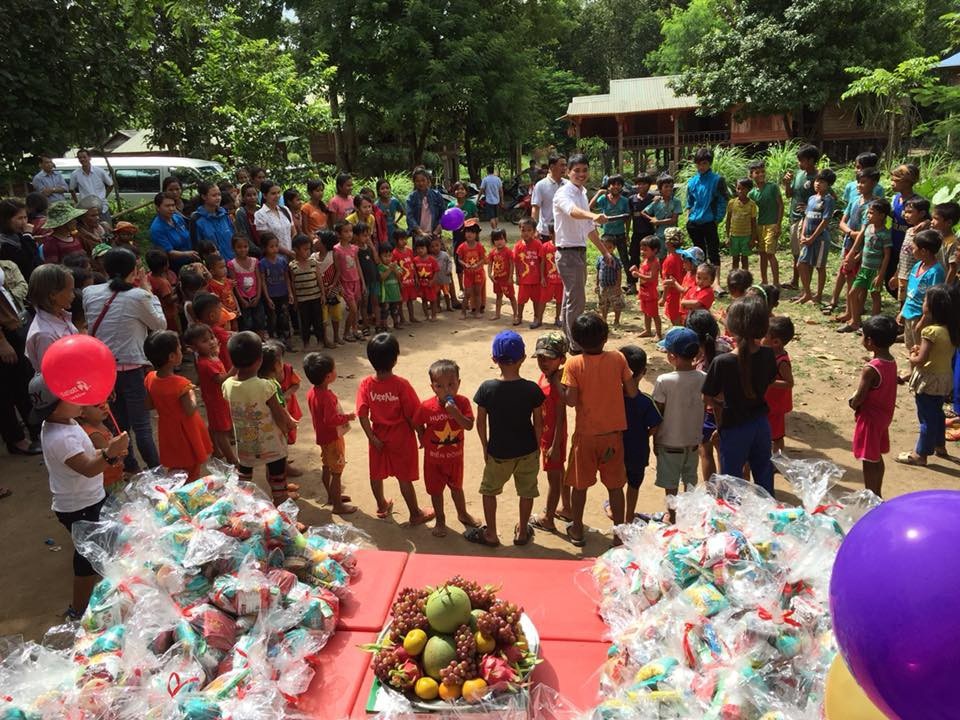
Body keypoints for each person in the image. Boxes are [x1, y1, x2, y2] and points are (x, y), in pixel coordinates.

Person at [33, 374, 129, 618]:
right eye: (72, 397)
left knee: (106, 544)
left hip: (91, 498)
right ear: (55, 408)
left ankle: (112, 591)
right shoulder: (60, 437)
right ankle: (78, 610)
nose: (81, 400)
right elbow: (87, 468)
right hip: (79, 506)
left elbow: (88, 454)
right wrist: (109, 455)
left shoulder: (65, 422)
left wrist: (106, 453)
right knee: (87, 559)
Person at [83, 248, 164, 473]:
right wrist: (149, 292)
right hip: (131, 368)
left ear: (105, 269)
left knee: (119, 424)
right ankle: (155, 470)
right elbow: (160, 325)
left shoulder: (89, 292)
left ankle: (130, 467)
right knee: (142, 426)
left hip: (103, 371)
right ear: (134, 271)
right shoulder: (138, 296)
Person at [562, 314, 638, 546]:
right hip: (613, 436)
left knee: (579, 484)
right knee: (615, 487)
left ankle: (576, 529)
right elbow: (633, 392)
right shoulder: (618, 358)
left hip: (586, 436)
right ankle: (618, 535)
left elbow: (572, 401)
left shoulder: (573, 364)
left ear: (575, 340)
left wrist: (558, 384)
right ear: (605, 337)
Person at [469, 330, 544, 547]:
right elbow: (539, 422)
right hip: (527, 450)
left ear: (494, 359)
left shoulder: (487, 389)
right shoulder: (532, 389)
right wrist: (537, 446)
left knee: (489, 491)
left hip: (499, 451)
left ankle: (490, 533)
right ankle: (522, 531)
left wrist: (485, 446)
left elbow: (480, 422)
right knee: (527, 491)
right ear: (522, 358)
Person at [702, 295, 778, 495]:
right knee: (764, 479)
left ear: (732, 327)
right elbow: (768, 383)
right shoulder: (769, 355)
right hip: (761, 425)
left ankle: (730, 523)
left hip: (734, 428)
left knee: (730, 484)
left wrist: (721, 425)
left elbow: (709, 398)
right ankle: (770, 520)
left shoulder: (722, 362)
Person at [356, 333, 434, 525]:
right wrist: (421, 434)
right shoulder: (401, 385)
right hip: (401, 437)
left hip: (378, 435)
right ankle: (415, 513)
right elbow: (413, 415)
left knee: (376, 474)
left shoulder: (366, 384)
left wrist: (371, 438)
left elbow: (362, 413)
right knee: (404, 477)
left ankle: (382, 505)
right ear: (395, 358)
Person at [222, 332, 297, 504]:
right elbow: (278, 414)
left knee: (245, 473)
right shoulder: (266, 386)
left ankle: (241, 503)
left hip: (245, 443)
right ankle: (280, 504)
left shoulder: (227, 385)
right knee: (277, 474)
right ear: (260, 360)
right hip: (271, 443)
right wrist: (286, 428)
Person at [552, 154, 614, 353]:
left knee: (571, 298)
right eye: (576, 170)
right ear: (568, 172)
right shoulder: (563, 193)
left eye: (584, 170)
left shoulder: (582, 192)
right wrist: (593, 214)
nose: (581, 174)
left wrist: (605, 252)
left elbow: (588, 227)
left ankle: (568, 338)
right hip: (567, 253)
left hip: (578, 252)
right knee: (576, 301)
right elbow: (572, 212)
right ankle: (576, 345)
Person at [413, 359, 480, 538]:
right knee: (436, 492)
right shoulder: (426, 406)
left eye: (451, 384)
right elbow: (417, 422)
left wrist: (455, 413)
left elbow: (469, 425)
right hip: (433, 461)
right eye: (440, 386)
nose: (446, 390)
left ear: (459, 383)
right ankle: (440, 520)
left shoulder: (463, 403)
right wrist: (422, 436)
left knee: (457, 488)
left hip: (455, 459)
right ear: (433, 387)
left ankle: (463, 513)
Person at [897, 284, 959, 466]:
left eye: (925, 300)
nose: (923, 303)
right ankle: (940, 446)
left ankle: (920, 454)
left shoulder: (930, 332)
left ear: (933, 307)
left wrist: (913, 356)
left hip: (929, 380)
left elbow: (921, 360)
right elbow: (938, 352)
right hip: (944, 379)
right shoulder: (951, 330)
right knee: (938, 414)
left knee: (926, 417)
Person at [652, 327, 705, 523]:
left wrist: (655, 439)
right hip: (693, 440)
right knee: (690, 479)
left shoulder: (664, 381)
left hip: (669, 440)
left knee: (670, 483)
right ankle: (687, 513)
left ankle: (672, 514)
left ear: (672, 356)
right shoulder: (703, 377)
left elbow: (658, 412)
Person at [143, 331, 213, 480]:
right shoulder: (181, 384)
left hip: (167, 430)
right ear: (172, 357)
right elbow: (189, 409)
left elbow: (148, 404)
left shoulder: (150, 378)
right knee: (192, 469)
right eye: (180, 349)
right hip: (186, 431)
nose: (182, 351)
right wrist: (193, 393)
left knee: (176, 470)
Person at [529, 332, 573, 533]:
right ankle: (566, 507)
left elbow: (562, 416)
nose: (544, 362)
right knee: (558, 472)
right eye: (540, 357)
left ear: (562, 359)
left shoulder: (558, 382)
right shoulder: (545, 376)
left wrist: (555, 445)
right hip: (546, 435)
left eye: (549, 358)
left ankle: (548, 518)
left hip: (553, 438)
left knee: (553, 479)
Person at [849, 315, 898, 496]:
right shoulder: (891, 361)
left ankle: (871, 496)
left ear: (870, 341)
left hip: (869, 419)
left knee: (868, 460)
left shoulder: (871, 368)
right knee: (876, 456)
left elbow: (860, 397)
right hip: (883, 417)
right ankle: (877, 492)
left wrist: (853, 403)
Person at [304, 352, 357, 515]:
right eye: (334, 369)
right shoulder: (326, 396)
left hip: (323, 437)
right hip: (333, 438)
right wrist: (348, 416)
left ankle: (332, 497)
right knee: (337, 472)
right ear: (328, 376)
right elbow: (330, 419)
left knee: (327, 467)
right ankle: (338, 506)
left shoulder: (312, 392)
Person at [0, 263, 40, 459]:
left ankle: (35, 432)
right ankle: (16, 439)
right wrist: (1, 342)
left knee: (22, 383)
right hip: (4, 336)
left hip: (12, 327)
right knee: (5, 392)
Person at [828, 167, 880, 318]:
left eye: (863, 182)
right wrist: (850, 233)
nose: (859, 185)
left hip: (864, 248)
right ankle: (848, 312)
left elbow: (865, 231)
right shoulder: (855, 200)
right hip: (849, 244)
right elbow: (842, 222)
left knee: (860, 284)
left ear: (874, 183)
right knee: (849, 278)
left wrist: (854, 242)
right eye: (858, 182)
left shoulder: (874, 205)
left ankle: (855, 314)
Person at [184, 324, 237, 467]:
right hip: (216, 400)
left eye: (212, 338)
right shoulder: (205, 363)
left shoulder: (210, 357)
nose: (212, 342)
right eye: (205, 341)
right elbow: (219, 380)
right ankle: (231, 458)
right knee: (221, 430)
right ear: (194, 348)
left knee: (216, 426)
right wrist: (234, 369)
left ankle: (216, 450)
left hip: (219, 398)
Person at [619, 346, 661, 524]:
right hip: (638, 450)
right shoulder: (645, 401)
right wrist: (643, 435)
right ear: (643, 372)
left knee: (616, 485)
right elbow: (655, 425)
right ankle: (629, 516)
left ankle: (619, 516)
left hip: (617, 450)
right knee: (634, 485)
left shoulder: (613, 399)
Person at [838, 199, 893, 333]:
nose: (868, 215)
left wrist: (881, 275)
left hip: (875, 270)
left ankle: (874, 326)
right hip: (864, 268)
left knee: (875, 295)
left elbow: (886, 255)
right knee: (852, 293)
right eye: (868, 213)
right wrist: (856, 257)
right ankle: (855, 321)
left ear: (882, 215)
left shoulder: (884, 234)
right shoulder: (868, 228)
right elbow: (867, 248)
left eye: (872, 213)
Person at [794, 168, 836, 305]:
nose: (818, 184)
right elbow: (806, 217)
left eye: (822, 182)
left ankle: (818, 295)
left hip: (820, 239)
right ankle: (807, 293)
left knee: (819, 267)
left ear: (828, 185)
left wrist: (812, 237)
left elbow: (825, 221)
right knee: (801, 264)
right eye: (817, 180)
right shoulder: (811, 198)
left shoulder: (828, 200)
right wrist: (802, 234)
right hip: (806, 238)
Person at [782, 144, 821, 290]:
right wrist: (786, 184)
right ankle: (795, 281)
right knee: (796, 252)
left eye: (802, 160)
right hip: (794, 217)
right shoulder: (799, 174)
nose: (799, 163)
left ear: (811, 160)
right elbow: (789, 194)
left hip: (808, 220)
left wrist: (809, 208)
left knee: (806, 254)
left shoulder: (818, 178)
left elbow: (827, 198)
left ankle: (807, 287)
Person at [898, 230, 944, 351]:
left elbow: (932, 301)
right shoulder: (917, 265)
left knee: (920, 349)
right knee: (911, 347)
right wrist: (903, 311)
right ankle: (912, 369)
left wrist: (923, 321)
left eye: (913, 248)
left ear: (924, 251)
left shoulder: (936, 272)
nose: (911, 251)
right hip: (909, 313)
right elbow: (910, 292)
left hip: (921, 317)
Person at [26, 263, 78, 369]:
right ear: (53, 295)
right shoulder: (45, 335)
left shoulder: (61, 316)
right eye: (70, 290)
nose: (74, 295)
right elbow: (51, 373)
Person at [685, 148, 729, 268]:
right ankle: (702, 279)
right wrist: (688, 217)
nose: (701, 167)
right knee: (699, 253)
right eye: (699, 164)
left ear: (710, 163)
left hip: (709, 221)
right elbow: (689, 202)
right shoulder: (692, 182)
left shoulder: (717, 180)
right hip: (694, 223)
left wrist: (717, 218)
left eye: (704, 163)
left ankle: (716, 283)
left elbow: (723, 200)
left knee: (713, 252)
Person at [747, 161, 784, 287]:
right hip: (759, 226)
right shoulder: (751, 193)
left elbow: (780, 205)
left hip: (772, 224)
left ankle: (776, 282)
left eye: (763, 171)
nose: (761, 174)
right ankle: (764, 280)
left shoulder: (772, 187)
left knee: (770, 254)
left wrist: (778, 224)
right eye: (757, 172)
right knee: (762, 253)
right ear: (751, 175)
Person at [591, 175, 631, 289]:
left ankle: (629, 283)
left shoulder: (624, 201)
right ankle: (604, 282)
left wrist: (627, 233)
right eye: (613, 184)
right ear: (608, 186)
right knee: (605, 257)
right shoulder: (603, 199)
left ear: (622, 187)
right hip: (607, 234)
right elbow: (590, 207)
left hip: (620, 233)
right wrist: (598, 193)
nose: (616, 187)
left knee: (624, 258)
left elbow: (627, 218)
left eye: (618, 184)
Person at [887, 164, 921, 295]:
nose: (892, 183)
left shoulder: (916, 202)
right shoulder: (895, 198)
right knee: (889, 279)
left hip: (908, 250)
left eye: (896, 181)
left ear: (908, 182)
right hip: (894, 245)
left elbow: (927, 220)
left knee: (905, 281)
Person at [763, 316, 795, 455]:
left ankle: (778, 462)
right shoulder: (770, 354)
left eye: (765, 336)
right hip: (768, 402)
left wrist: (770, 382)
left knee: (776, 436)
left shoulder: (781, 361)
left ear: (775, 342)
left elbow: (789, 383)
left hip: (776, 405)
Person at [892, 198, 931, 311]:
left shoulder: (927, 233)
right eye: (905, 212)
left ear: (922, 213)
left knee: (914, 302)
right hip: (903, 274)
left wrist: (927, 222)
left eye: (910, 212)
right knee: (902, 301)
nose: (906, 215)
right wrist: (896, 274)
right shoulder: (909, 231)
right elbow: (903, 255)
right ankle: (902, 324)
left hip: (916, 276)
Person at [290, 234, 326, 350]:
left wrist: (323, 294)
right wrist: (295, 299)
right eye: (305, 249)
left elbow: (319, 278)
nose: (308, 251)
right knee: (305, 323)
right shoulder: (292, 266)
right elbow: (293, 284)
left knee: (318, 321)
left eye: (309, 249)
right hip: (302, 299)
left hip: (315, 297)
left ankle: (320, 341)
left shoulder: (313, 262)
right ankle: (306, 343)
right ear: (296, 250)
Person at [228, 235, 266, 338]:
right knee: (246, 323)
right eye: (239, 247)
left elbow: (258, 279)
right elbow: (234, 284)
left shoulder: (254, 261)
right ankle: (249, 342)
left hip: (255, 296)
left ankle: (261, 342)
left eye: (245, 246)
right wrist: (241, 300)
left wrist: (258, 296)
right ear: (233, 248)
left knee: (260, 320)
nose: (243, 249)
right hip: (243, 298)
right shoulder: (232, 264)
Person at [258, 232, 292, 346]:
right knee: (272, 318)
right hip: (271, 295)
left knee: (284, 317)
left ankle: (286, 339)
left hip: (283, 294)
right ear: (265, 248)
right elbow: (263, 281)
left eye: (276, 246)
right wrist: (267, 298)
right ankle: (274, 341)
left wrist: (290, 293)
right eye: (271, 246)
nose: (275, 249)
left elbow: (287, 277)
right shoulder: (262, 263)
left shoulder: (282, 260)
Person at [151, 192, 198, 272]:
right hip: (174, 267)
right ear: (158, 207)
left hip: (191, 260)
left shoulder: (178, 218)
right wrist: (187, 254)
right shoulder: (157, 228)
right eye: (167, 206)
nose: (171, 208)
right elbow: (169, 252)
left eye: (173, 205)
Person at [333, 221, 365, 342]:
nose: (349, 234)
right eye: (346, 231)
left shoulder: (354, 248)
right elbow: (337, 269)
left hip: (356, 281)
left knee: (356, 308)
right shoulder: (337, 250)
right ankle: (346, 333)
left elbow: (357, 265)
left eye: (350, 231)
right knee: (353, 309)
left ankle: (354, 329)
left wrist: (362, 282)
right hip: (345, 283)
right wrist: (339, 284)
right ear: (339, 234)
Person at [190, 182, 236, 261]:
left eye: (219, 195)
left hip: (231, 261)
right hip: (214, 265)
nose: (218, 198)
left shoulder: (225, 215)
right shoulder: (197, 219)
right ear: (204, 197)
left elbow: (233, 238)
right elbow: (197, 247)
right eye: (214, 195)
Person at [643, 174, 683, 258]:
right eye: (666, 186)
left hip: (673, 236)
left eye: (671, 187)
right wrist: (651, 218)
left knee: (674, 257)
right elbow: (643, 212)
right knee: (661, 258)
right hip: (660, 235)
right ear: (660, 188)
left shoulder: (676, 202)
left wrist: (657, 222)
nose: (669, 189)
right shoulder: (657, 202)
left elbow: (674, 220)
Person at [514, 218, 544, 327]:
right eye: (523, 230)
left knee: (536, 300)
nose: (526, 233)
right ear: (520, 230)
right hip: (523, 279)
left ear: (534, 231)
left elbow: (541, 262)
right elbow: (516, 262)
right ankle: (519, 316)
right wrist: (517, 276)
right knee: (521, 299)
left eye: (529, 230)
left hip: (536, 279)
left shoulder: (538, 244)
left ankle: (536, 317)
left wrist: (542, 277)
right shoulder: (518, 246)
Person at [0, 200, 40, 281]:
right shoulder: (3, 242)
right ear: (6, 220)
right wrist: (28, 235)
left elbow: (35, 257)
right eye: (20, 218)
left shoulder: (17, 234)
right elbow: (25, 261)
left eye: (25, 217)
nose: (24, 222)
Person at [725, 178, 758, 272]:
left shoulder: (752, 205)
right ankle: (734, 278)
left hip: (746, 236)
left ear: (748, 189)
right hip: (734, 236)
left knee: (744, 259)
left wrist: (753, 238)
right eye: (738, 188)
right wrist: (727, 236)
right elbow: (728, 220)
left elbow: (753, 223)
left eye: (743, 189)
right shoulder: (732, 203)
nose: (740, 191)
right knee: (735, 259)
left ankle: (745, 278)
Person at [68, 150, 113, 218]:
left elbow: (111, 185)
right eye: (80, 158)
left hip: (102, 207)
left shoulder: (99, 171)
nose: (82, 159)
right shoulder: (75, 174)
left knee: (106, 227)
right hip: (86, 210)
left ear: (89, 158)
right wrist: (78, 203)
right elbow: (71, 189)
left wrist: (103, 197)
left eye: (84, 157)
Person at [405, 167, 446, 242]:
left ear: (428, 180)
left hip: (434, 233)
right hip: (418, 235)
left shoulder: (437, 195)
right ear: (414, 182)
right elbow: (409, 217)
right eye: (417, 181)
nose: (421, 183)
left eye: (423, 180)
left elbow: (443, 213)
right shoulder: (411, 198)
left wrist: (437, 229)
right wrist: (421, 232)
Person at [531, 154, 566, 241]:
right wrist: (533, 229)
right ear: (552, 166)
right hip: (546, 233)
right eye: (562, 165)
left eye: (565, 165)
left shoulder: (568, 185)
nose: (565, 168)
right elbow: (535, 209)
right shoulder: (541, 185)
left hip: (564, 232)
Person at [456, 219, 486, 319]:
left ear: (476, 234)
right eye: (467, 231)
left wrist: (477, 264)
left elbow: (483, 259)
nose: (469, 234)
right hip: (468, 274)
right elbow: (459, 259)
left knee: (478, 293)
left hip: (478, 274)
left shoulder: (480, 247)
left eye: (472, 232)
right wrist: (465, 264)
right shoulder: (461, 247)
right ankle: (463, 312)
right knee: (467, 293)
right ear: (464, 233)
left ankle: (477, 312)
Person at [632, 236, 662, 339]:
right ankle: (648, 330)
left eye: (645, 250)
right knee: (645, 312)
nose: (642, 252)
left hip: (651, 293)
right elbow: (642, 273)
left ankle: (658, 333)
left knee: (654, 314)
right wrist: (636, 270)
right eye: (641, 249)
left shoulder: (655, 263)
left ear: (654, 250)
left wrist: (638, 275)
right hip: (643, 291)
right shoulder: (644, 261)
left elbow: (652, 278)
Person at [255, 180, 295, 253]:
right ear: (264, 195)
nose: (277, 196)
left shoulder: (285, 210)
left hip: (292, 254)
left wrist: (293, 250)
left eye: (279, 193)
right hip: (275, 257)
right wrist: (287, 252)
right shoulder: (260, 214)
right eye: (273, 193)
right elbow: (267, 240)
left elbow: (293, 232)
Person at [487, 228, 516, 323]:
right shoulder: (492, 252)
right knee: (498, 296)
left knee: (511, 297)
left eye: (501, 239)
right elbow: (490, 263)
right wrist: (489, 274)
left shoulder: (508, 252)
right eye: (496, 240)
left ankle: (516, 314)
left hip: (506, 279)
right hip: (497, 279)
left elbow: (512, 264)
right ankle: (497, 314)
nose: (499, 242)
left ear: (505, 239)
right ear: (493, 241)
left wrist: (511, 277)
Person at [628, 174, 656, 268]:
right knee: (634, 254)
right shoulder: (632, 199)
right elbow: (629, 217)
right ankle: (632, 280)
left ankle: (649, 276)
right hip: (636, 232)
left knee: (650, 255)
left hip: (649, 233)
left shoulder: (653, 199)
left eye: (644, 184)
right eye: (639, 184)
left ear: (649, 185)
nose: (641, 186)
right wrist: (627, 233)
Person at [205, 253, 239, 331]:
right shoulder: (212, 285)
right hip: (223, 313)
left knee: (236, 328)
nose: (225, 269)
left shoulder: (227, 281)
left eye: (225, 266)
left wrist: (237, 306)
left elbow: (232, 294)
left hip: (234, 311)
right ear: (212, 271)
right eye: (221, 267)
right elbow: (217, 301)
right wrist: (228, 311)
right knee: (227, 330)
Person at [539, 223, 563, 327]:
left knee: (559, 300)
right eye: (555, 233)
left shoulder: (563, 246)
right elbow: (542, 262)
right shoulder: (545, 246)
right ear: (550, 234)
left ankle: (557, 318)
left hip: (560, 280)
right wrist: (542, 277)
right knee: (543, 299)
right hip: (548, 280)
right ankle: (539, 319)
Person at [660, 228, 685, 326]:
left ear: (667, 243)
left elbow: (668, 282)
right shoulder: (684, 255)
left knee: (675, 319)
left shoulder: (669, 260)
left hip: (674, 294)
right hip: (684, 291)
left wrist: (663, 298)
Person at [412, 236, 440, 322]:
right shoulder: (415, 260)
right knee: (423, 300)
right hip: (421, 284)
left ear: (427, 248)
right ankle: (426, 315)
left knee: (433, 300)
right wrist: (416, 280)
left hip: (430, 284)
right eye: (418, 248)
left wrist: (433, 281)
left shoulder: (432, 260)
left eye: (422, 248)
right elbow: (415, 271)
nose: (420, 250)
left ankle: (433, 315)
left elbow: (436, 271)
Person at [933, 202, 959, 285]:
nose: (932, 221)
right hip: (933, 278)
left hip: (943, 283)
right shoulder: (934, 235)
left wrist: (945, 287)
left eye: (936, 219)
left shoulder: (953, 243)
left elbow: (953, 269)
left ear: (949, 223)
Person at [234, 183, 262, 254]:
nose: (252, 197)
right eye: (249, 195)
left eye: (254, 194)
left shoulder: (260, 210)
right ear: (243, 198)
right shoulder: (241, 213)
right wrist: (259, 251)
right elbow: (244, 236)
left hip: (265, 249)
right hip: (251, 252)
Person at [376, 179, 404, 244]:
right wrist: (382, 215)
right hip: (382, 231)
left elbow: (402, 212)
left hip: (393, 229)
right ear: (378, 191)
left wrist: (396, 221)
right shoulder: (377, 205)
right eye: (382, 188)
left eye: (387, 188)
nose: (385, 190)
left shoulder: (395, 201)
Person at [431, 236, 454, 313]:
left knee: (446, 294)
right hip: (436, 279)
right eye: (433, 246)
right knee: (437, 294)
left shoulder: (444, 255)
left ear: (440, 245)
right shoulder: (431, 257)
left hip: (445, 278)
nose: (435, 248)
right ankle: (438, 307)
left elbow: (450, 262)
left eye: (437, 245)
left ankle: (448, 306)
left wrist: (449, 270)